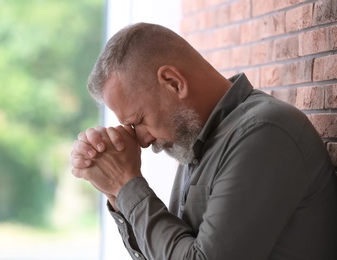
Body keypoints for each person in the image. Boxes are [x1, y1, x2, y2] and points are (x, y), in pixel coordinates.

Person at [70, 22, 337, 259]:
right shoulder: (196, 141)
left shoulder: (264, 133)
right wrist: (116, 192)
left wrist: (128, 185)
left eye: (138, 120)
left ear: (173, 83)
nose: (140, 141)